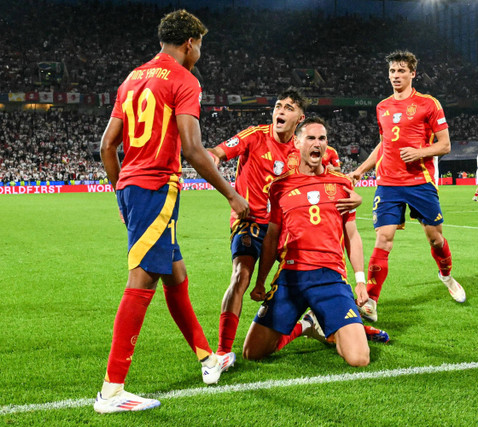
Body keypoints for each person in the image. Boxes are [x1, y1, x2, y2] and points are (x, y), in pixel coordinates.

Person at [95, 10, 249, 414]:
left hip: (133, 187)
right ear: (190, 43)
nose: (199, 51)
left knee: (175, 273)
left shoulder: (131, 78)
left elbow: (107, 146)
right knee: (142, 280)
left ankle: (207, 358)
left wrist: (120, 193)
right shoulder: (185, 80)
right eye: (200, 44)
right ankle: (111, 391)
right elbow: (193, 149)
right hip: (157, 188)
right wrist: (232, 195)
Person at [208, 90, 360, 358]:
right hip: (251, 221)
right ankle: (222, 353)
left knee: (305, 275)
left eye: (288, 108)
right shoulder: (255, 136)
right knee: (241, 276)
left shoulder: (304, 144)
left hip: (286, 228)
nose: (280, 110)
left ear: (298, 118)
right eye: (278, 106)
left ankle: (333, 323)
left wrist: (353, 193)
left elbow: (336, 178)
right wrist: (223, 181)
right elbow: (216, 153)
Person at [242, 117, 370, 367]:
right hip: (291, 276)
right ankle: (306, 326)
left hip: (330, 276)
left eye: (322, 138)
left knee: (359, 358)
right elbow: (271, 238)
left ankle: (336, 326)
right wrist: (260, 281)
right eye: (310, 138)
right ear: (297, 143)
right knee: (252, 352)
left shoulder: (342, 185)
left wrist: (360, 280)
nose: (317, 143)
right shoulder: (279, 188)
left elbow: (352, 235)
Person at [349, 50, 466, 324]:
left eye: (401, 71)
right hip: (388, 183)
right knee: (384, 238)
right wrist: (361, 170)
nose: (396, 76)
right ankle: (372, 300)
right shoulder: (382, 107)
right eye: (392, 71)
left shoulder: (428, 104)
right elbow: (384, 145)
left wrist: (420, 153)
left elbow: (445, 145)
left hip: (419, 182)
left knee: (435, 238)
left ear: (413, 73)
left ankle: (446, 276)